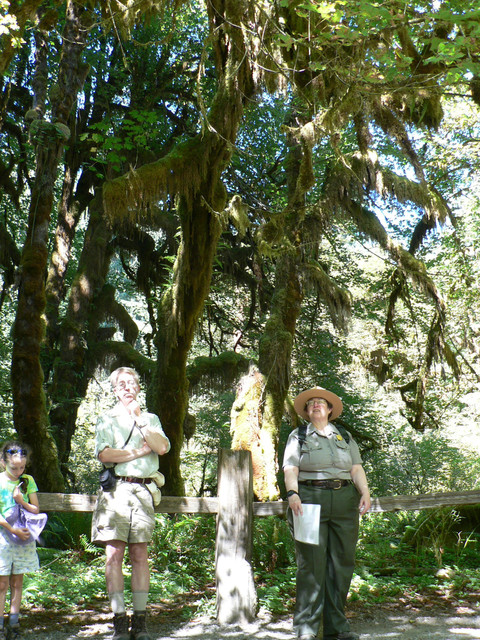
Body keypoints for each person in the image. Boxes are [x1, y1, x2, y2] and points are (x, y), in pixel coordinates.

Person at [283, 387, 371, 640]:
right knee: (311, 564)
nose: (316, 405)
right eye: (311, 404)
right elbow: (290, 468)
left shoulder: (344, 435)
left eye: (321, 402)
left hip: (345, 501)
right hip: (308, 501)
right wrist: (293, 493)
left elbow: (356, 469)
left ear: (330, 410)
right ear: (307, 411)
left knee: (341, 563)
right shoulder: (298, 435)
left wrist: (364, 492)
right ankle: (306, 629)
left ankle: (337, 628)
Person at [91, 367, 170, 640]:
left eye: (131, 383)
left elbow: (160, 447)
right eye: (121, 384)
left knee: (140, 556)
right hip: (116, 492)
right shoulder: (107, 418)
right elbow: (105, 455)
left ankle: (140, 623)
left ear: (138, 388)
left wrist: (140, 421)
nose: (126, 387)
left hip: (144, 492)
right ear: (114, 390)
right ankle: (119, 623)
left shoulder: (150, 418)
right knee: (114, 555)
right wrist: (137, 451)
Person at [0, 442, 43, 640]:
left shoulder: (28, 480)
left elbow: (36, 509)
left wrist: (21, 501)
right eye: (14, 468)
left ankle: (14, 624)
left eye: (22, 467)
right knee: (2, 583)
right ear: (2, 463)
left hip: (23, 537)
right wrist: (11, 529)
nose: (19, 472)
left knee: (18, 581)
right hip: (4, 537)